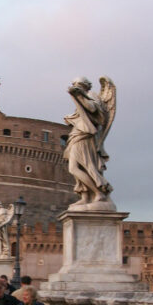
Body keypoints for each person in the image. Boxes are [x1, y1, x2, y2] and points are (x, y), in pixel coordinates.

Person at [63, 76, 116, 208]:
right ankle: (86, 196)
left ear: (85, 85)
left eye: (78, 84)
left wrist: (80, 96)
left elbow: (93, 109)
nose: (76, 86)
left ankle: (99, 193)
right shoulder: (81, 96)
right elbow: (81, 115)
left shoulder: (91, 95)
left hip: (85, 136)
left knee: (84, 166)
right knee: (75, 168)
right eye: (74, 84)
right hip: (77, 134)